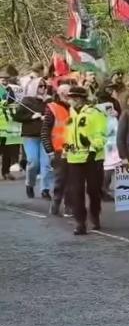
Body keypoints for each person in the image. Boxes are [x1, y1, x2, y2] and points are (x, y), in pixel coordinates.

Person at [64, 86, 107, 235]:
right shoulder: (69, 114)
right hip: (74, 158)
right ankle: (80, 222)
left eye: (75, 97)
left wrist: (92, 145)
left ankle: (94, 214)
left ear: (82, 98)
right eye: (70, 98)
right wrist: (66, 148)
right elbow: (67, 135)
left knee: (94, 189)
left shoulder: (95, 113)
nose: (72, 100)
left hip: (92, 157)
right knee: (76, 191)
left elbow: (102, 134)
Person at [13, 87, 48, 198]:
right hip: (30, 136)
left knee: (46, 164)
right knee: (33, 162)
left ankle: (45, 189)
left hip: (45, 136)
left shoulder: (49, 101)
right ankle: (30, 184)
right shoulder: (26, 101)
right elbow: (17, 117)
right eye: (39, 86)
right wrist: (31, 117)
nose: (42, 88)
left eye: (44, 86)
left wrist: (47, 117)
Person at [42, 84, 71, 215]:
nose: (67, 94)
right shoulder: (52, 108)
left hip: (74, 149)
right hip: (58, 150)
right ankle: (56, 204)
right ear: (58, 93)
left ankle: (69, 206)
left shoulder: (75, 108)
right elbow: (45, 131)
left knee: (73, 180)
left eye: (69, 92)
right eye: (64, 92)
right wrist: (49, 151)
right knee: (61, 179)